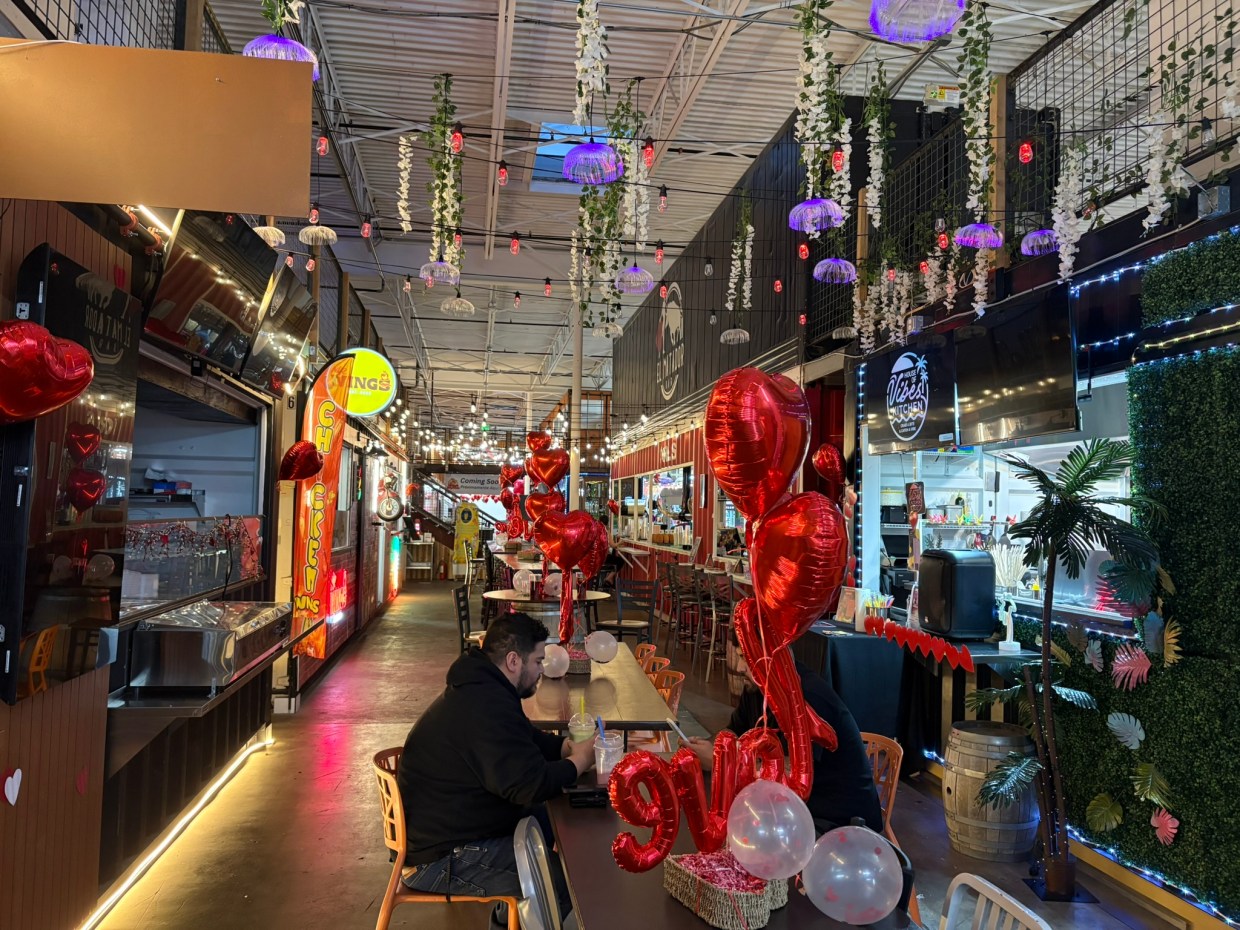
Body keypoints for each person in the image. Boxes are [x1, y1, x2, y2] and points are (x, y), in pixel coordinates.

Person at [397, 612, 595, 923]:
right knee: (564, 883)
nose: (542, 670)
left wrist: (562, 748)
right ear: (514, 661)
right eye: (538, 661)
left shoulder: (483, 689)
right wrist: (580, 760)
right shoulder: (485, 705)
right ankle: (514, 916)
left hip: (454, 830)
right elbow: (530, 784)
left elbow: (522, 734)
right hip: (440, 860)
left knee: (546, 821)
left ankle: (507, 919)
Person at [686, 639, 884, 835]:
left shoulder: (807, 698)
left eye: (745, 658)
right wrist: (716, 746)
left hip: (837, 821)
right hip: (795, 810)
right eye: (738, 656)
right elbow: (733, 730)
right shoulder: (756, 686)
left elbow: (790, 776)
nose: (739, 667)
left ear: (773, 656)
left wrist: (720, 762)